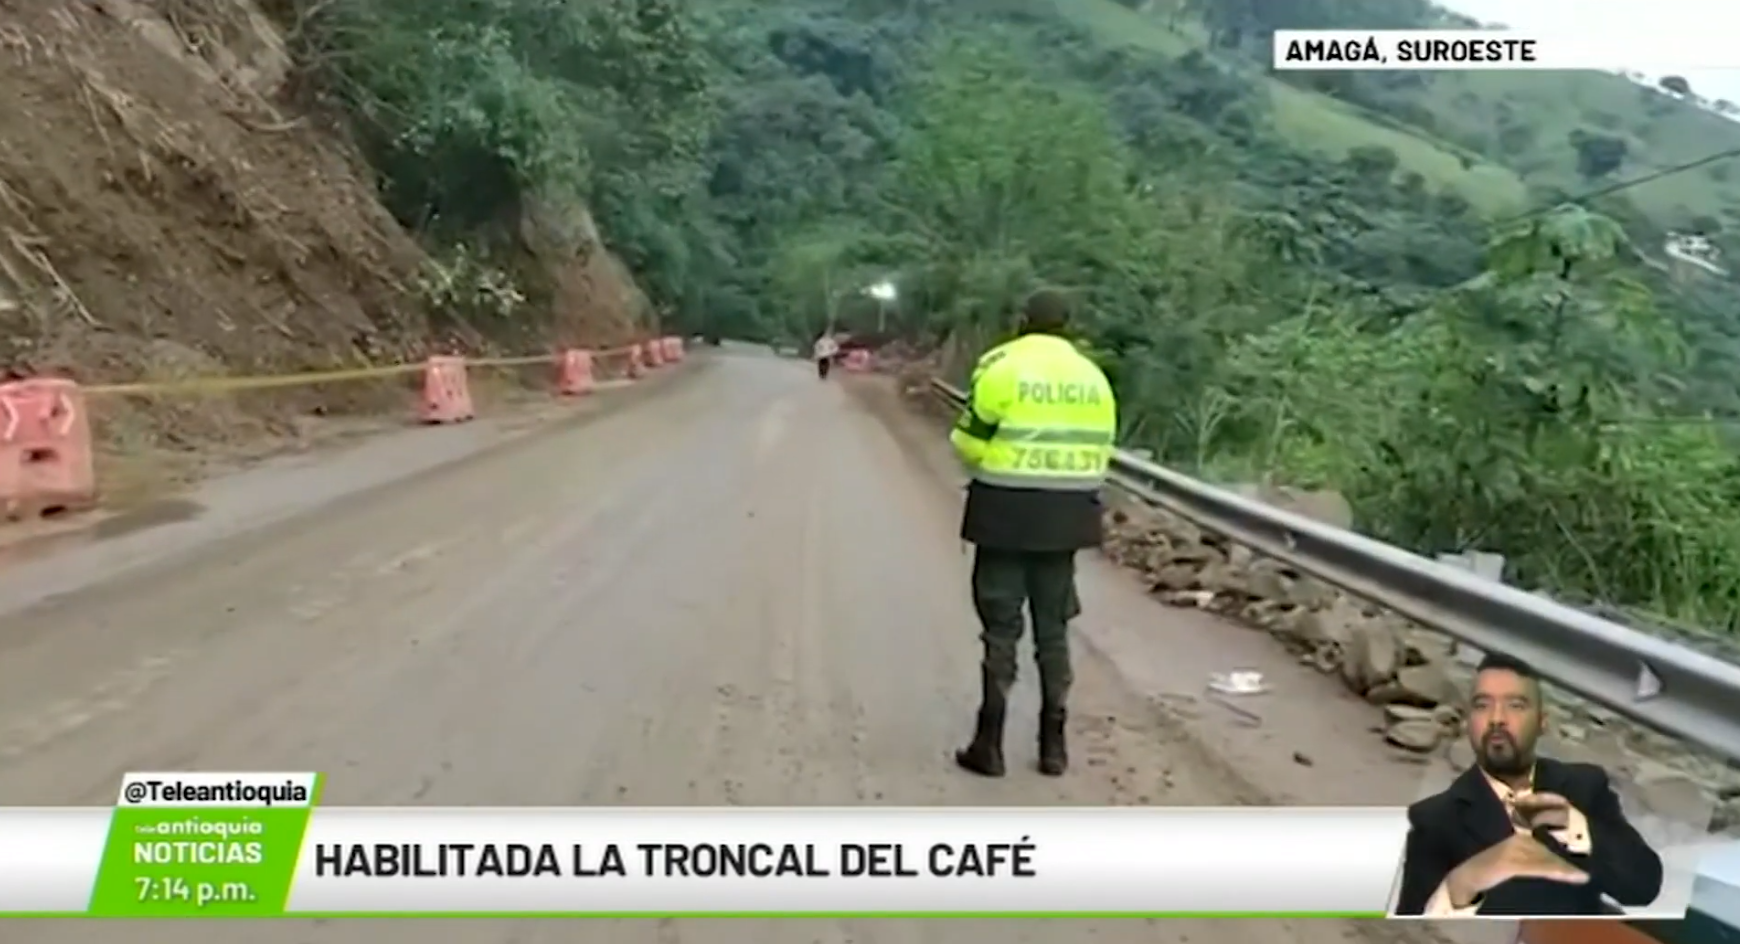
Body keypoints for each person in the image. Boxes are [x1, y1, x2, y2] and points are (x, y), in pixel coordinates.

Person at [948, 289, 1116, 778]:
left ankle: (989, 742)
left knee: (1001, 627)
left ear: (1024, 321)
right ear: (1067, 325)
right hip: (1067, 519)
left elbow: (966, 442)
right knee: (1054, 629)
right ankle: (1053, 747)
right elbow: (1101, 452)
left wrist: (1004, 466)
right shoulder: (1094, 379)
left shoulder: (1000, 366)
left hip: (1005, 513)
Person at [1392, 652, 1663, 916]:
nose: (1497, 718)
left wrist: (1576, 828)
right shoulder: (1434, 819)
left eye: (1516, 705)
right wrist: (1463, 884)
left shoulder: (1584, 787)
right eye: (1482, 705)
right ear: (1469, 722)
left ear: (1542, 723)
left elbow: (1643, 888)